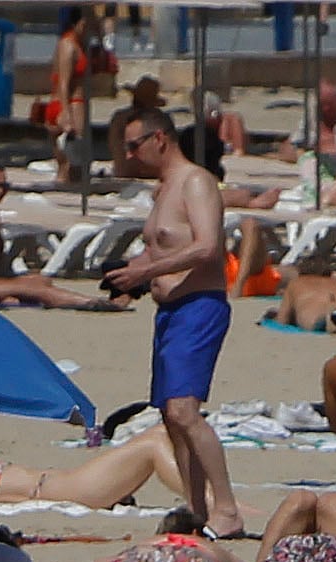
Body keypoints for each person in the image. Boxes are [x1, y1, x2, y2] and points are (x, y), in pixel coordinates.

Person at [101, 117, 234, 532]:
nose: (129, 155)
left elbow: (207, 246)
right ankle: (196, 509)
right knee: (170, 417)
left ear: (160, 138)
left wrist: (146, 271)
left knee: (185, 410)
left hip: (199, 306)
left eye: (134, 145)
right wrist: (130, 275)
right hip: (170, 311)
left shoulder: (197, 182)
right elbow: (164, 247)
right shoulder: (162, 189)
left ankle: (226, 508)